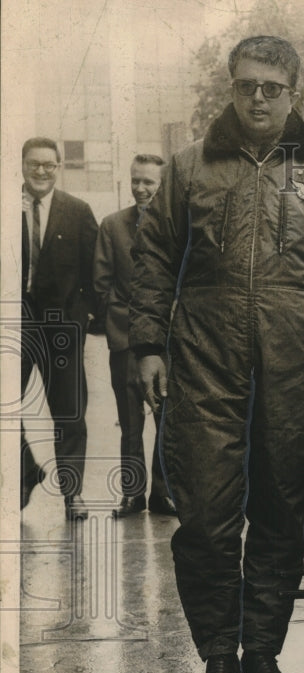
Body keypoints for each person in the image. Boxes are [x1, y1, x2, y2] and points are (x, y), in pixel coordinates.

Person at [129, 36, 304, 673]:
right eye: (247, 86)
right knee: (206, 513)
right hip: (205, 352)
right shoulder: (190, 170)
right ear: (230, 89)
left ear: (294, 93)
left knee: (279, 508)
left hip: (298, 355)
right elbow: (152, 256)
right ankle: (217, 654)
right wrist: (148, 344)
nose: (259, 98)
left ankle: (263, 654)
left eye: (272, 87)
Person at [93, 154, 177, 518]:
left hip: (169, 342)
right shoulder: (112, 226)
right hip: (126, 342)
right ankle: (133, 494)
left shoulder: (177, 227)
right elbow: (100, 284)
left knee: (167, 420)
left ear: (162, 185)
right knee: (130, 423)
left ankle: (162, 493)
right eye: (136, 180)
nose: (141, 188)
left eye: (149, 182)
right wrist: (125, 327)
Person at [20, 137, 98, 519]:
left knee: (69, 412)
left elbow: (94, 271)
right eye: (34, 163)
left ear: (58, 167)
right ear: (22, 165)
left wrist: (81, 319)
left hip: (62, 327)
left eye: (48, 165)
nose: (41, 171)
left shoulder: (77, 211)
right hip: (14, 324)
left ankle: (73, 495)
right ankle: (24, 473)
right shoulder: (5, 208)